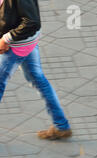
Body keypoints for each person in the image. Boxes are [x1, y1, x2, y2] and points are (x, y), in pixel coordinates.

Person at [0, 0, 72, 140]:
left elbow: (32, 22)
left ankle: (61, 125)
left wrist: (6, 39)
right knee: (38, 79)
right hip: (25, 42)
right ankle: (61, 126)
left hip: (17, 45)